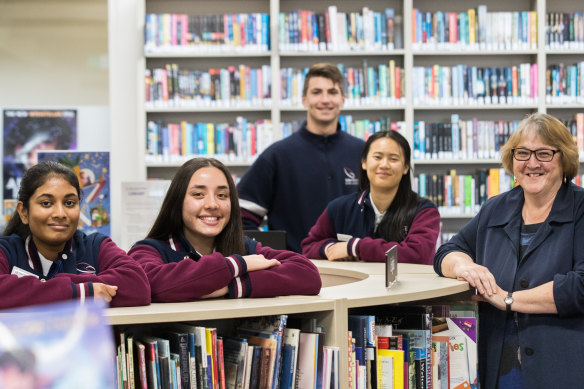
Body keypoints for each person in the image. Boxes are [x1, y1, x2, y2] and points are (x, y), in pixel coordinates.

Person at [433, 113, 584, 388]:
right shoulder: (496, 208)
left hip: (563, 367)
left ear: (564, 159)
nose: (532, 163)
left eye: (544, 153)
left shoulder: (580, 209)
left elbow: (581, 286)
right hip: (497, 365)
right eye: (522, 153)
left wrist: (507, 299)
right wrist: (465, 266)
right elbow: (448, 251)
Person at [128, 157, 322, 302]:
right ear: (177, 202)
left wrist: (231, 285)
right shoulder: (148, 250)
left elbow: (307, 274)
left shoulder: (245, 247)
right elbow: (153, 285)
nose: (212, 204)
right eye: (198, 194)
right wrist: (237, 265)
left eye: (222, 195)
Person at [237, 63, 365, 252]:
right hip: (294, 271)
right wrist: (266, 253)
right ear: (304, 99)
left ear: (343, 99)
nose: (325, 99)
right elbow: (240, 215)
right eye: (316, 92)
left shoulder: (363, 152)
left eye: (332, 92)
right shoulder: (277, 155)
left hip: (357, 269)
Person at [0, 161, 151, 309]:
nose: (60, 213)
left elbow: (137, 285)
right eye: (46, 203)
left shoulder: (96, 246)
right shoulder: (6, 250)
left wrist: (46, 288)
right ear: (23, 212)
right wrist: (81, 292)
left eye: (70, 203)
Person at [302, 130, 440, 263]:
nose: (384, 165)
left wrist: (355, 247)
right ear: (364, 162)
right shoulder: (340, 208)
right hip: (355, 286)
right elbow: (308, 246)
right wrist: (330, 249)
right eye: (377, 157)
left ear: (405, 167)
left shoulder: (424, 211)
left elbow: (418, 255)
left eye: (393, 159)